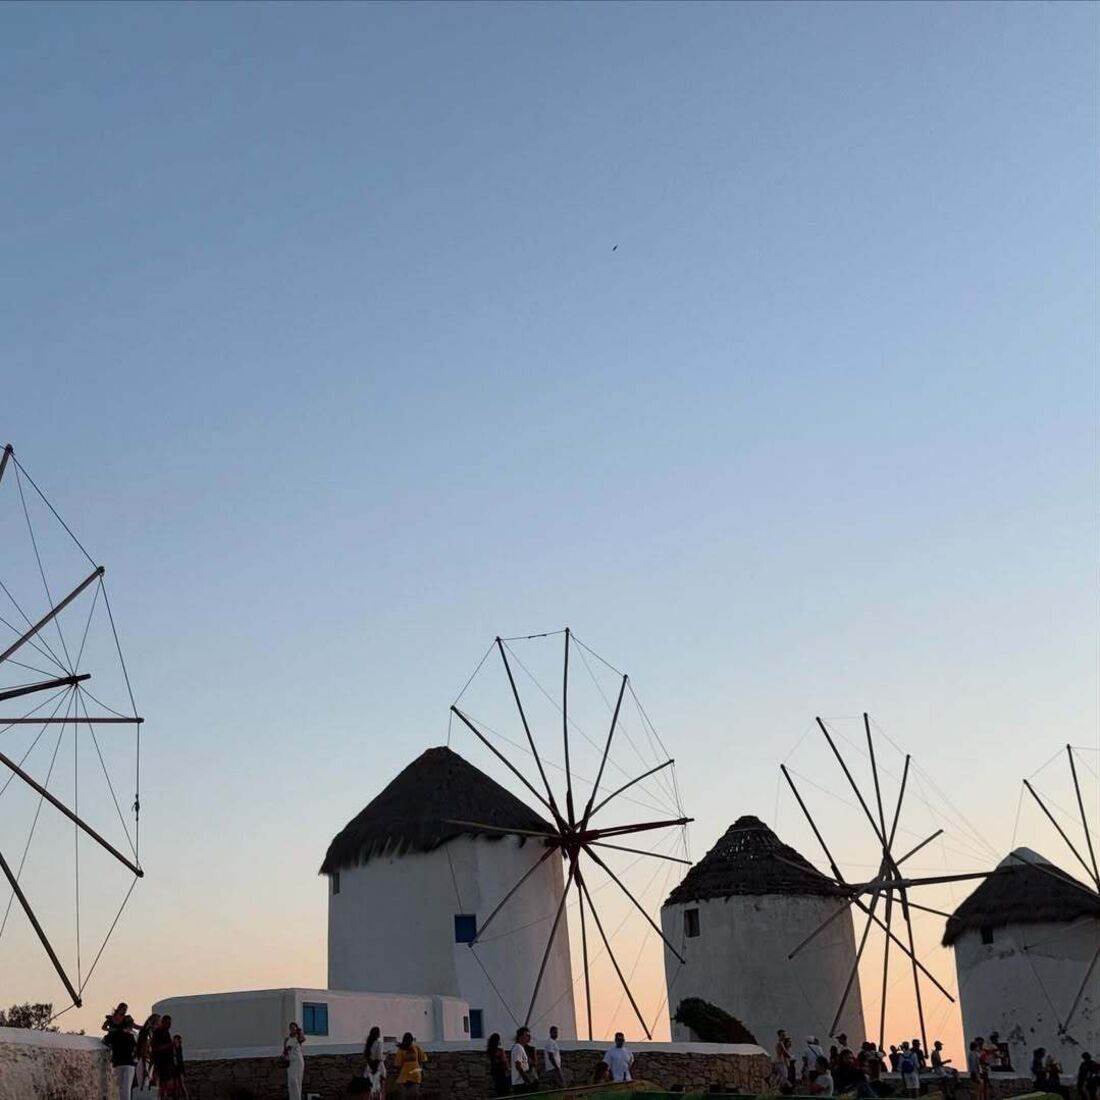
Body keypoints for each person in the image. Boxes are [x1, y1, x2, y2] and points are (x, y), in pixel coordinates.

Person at [102, 1013, 137, 1100]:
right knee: (127, 1089)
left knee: (120, 1088)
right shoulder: (130, 1036)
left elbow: (104, 1040)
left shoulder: (115, 1034)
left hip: (118, 1063)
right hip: (129, 1063)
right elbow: (135, 1049)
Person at [151, 1014, 177, 1098]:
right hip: (161, 1062)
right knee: (164, 1085)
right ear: (163, 1022)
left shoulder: (167, 1033)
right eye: (167, 1023)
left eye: (170, 1023)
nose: (169, 1025)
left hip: (168, 1062)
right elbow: (155, 1048)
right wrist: (170, 1045)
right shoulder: (158, 1032)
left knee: (169, 1085)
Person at [135, 1013, 160, 1091]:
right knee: (144, 1085)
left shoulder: (152, 1035)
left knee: (146, 1084)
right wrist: (145, 1067)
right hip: (145, 1061)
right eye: (157, 1023)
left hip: (149, 1062)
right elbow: (144, 1050)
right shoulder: (147, 1035)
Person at [510, 1027, 538, 1094]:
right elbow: (518, 1065)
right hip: (520, 1082)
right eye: (527, 1035)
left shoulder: (521, 1048)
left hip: (521, 1082)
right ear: (521, 1036)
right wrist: (526, 1078)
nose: (529, 1037)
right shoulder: (518, 1048)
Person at [283, 1021, 306, 1100]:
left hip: (298, 1061)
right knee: (291, 1081)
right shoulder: (286, 1039)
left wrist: (300, 1032)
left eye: (294, 1028)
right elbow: (284, 1052)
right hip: (290, 1062)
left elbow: (303, 1039)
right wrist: (286, 1050)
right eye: (291, 1028)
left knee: (297, 1080)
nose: (292, 1029)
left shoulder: (298, 1037)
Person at [487, 1033, 511, 1097]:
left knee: (498, 1091)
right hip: (502, 1072)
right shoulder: (500, 1051)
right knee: (505, 1091)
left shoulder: (490, 1051)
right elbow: (504, 1061)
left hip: (495, 1073)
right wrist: (509, 1069)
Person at [173, 1034, 190, 1100]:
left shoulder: (178, 1048)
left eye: (175, 1039)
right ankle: (178, 1096)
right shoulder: (175, 1048)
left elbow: (177, 1058)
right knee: (176, 1084)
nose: (174, 1040)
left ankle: (186, 1096)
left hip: (179, 1067)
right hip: (175, 1067)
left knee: (181, 1083)